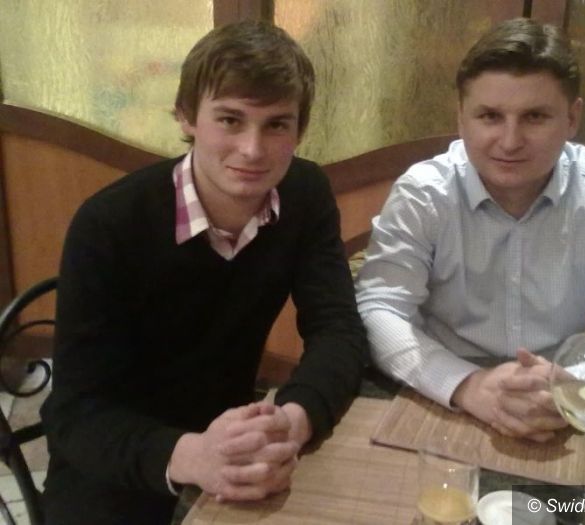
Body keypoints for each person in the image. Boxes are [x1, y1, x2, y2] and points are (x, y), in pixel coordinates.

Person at [40, 20, 367, 525]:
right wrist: (192, 456)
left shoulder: (305, 194)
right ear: (187, 115)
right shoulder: (108, 224)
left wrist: (293, 420)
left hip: (233, 445)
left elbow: (338, 329)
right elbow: (74, 415)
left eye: (276, 125)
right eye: (231, 120)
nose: (253, 150)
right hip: (115, 469)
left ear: (299, 130)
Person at [355, 17, 585, 443]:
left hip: (564, 398)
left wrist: (572, 385)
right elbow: (379, 309)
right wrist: (468, 385)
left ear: (572, 118)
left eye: (535, 117)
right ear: (461, 118)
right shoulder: (424, 192)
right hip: (446, 394)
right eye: (490, 116)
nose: (510, 141)